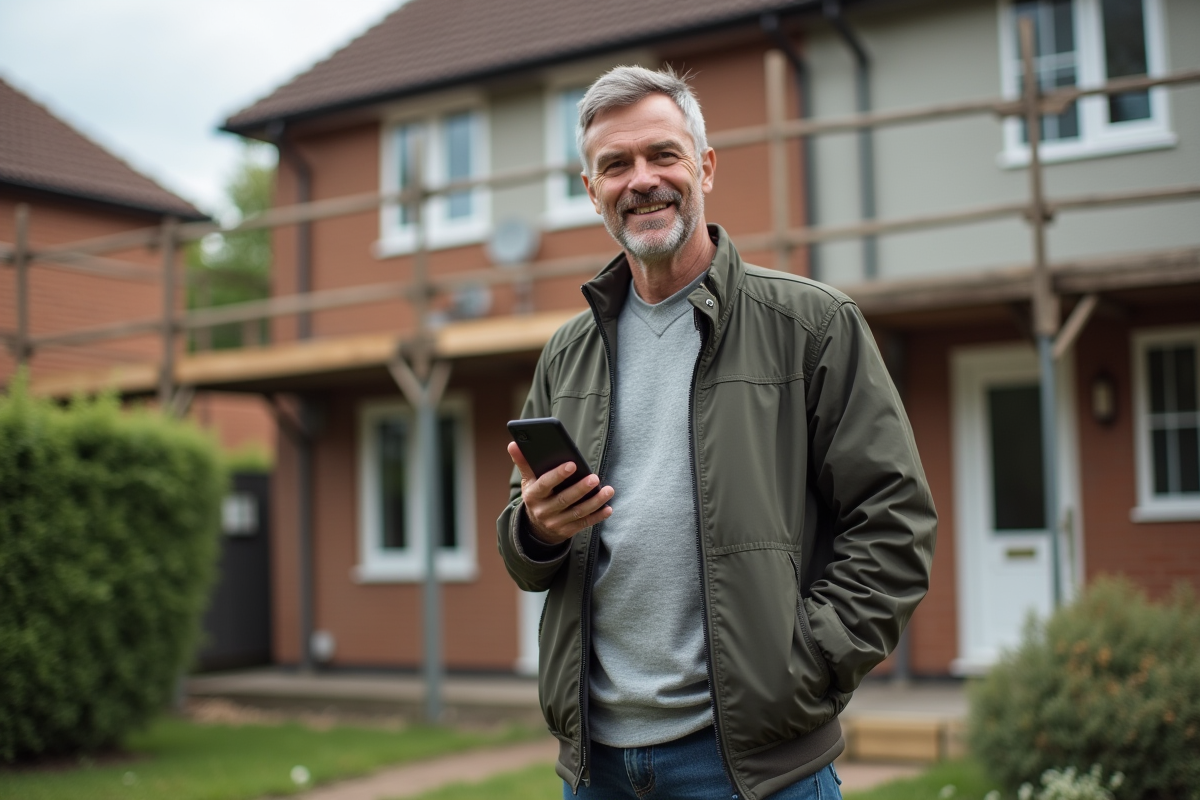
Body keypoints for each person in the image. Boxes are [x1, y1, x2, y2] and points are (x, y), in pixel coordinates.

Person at [497, 65, 936, 800]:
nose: (642, 180)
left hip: (752, 768)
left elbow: (894, 522)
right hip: (597, 766)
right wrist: (536, 529)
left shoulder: (812, 326)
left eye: (662, 155)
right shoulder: (566, 353)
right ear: (591, 191)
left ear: (703, 167)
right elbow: (526, 550)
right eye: (616, 165)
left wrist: (807, 663)